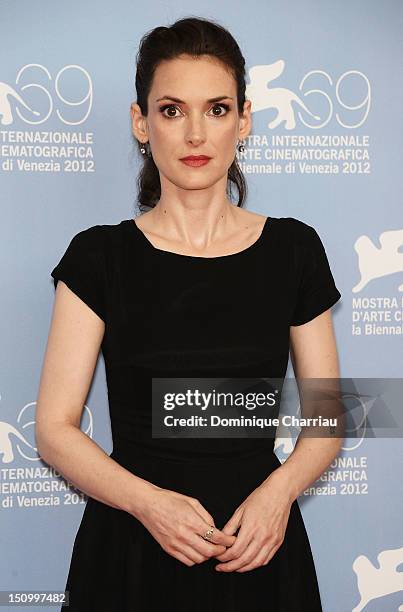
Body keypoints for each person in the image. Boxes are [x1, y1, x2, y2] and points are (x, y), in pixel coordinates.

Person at [36, 16, 343, 612]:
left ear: (244, 120)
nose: (196, 133)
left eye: (218, 109)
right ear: (141, 123)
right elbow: (53, 428)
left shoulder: (295, 250)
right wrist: (150, 504)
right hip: (132, 549)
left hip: (256, 547)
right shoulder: (99, 256)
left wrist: (277, 496)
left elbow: (328, 416)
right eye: (172, 110)